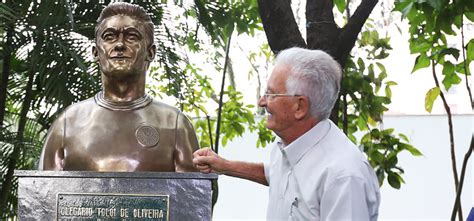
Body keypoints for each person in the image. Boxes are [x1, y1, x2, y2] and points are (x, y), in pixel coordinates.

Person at [193, 47, 380, 220]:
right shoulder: (291, 144)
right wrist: (224, 166)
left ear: (300, 106)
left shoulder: (343, 176)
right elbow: (275, 174)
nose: (261, 102)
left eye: (271, 94)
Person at [38, 2, 198, 172]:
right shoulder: (68, 123)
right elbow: (42, 192)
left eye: (131, 36)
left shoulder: (174, 124)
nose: (120, 45)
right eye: (109, 37)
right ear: (96, 52)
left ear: (150, 52)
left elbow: (194, 192)